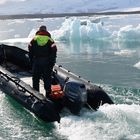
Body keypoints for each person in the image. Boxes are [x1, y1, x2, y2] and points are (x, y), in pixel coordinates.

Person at [28, 25, 57, 98]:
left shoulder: (34, 39)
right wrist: (52, 61)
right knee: (47, 78)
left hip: (37, 61)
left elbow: (30, 49)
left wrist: (31, 60)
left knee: (36, 78)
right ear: (46, 30)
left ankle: (36, 95)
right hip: (47, 62)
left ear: (39, 30)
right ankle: (48, 95)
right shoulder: (50, 39)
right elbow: (54, 51)